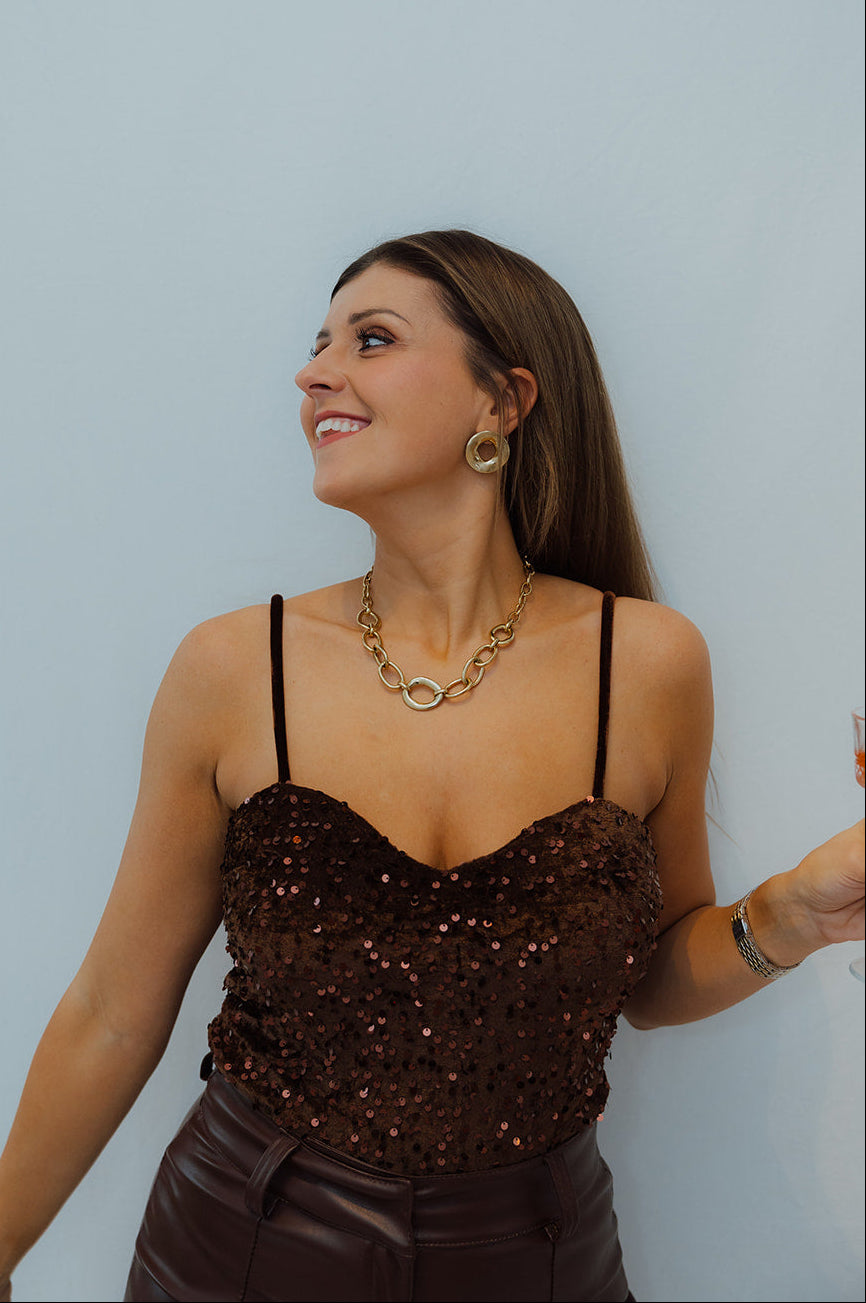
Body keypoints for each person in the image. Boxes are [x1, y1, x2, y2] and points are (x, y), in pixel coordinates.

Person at [0, 230, 862, 1303]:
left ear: (502, 401)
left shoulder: (644, 664)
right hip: (238, 1251)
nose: (315, 373)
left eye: (370, 339)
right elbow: (112, 1010)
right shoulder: (232, 668)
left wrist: (790, 914)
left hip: (537, 1260)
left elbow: (645, 979)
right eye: (317, 345)